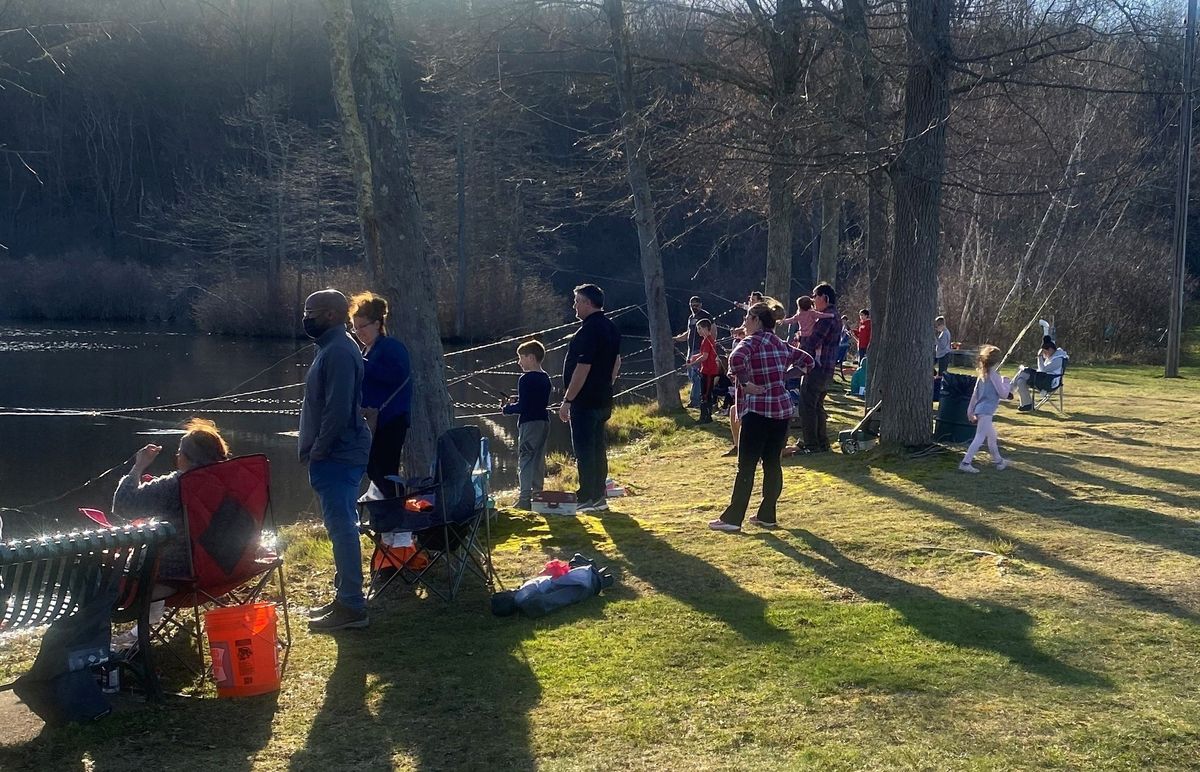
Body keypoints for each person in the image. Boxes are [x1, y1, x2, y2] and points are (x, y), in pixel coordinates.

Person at [300, 289, 373, 632]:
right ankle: (345, 595)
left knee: (343, 528)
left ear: (331, 314)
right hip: (334, 452)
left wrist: (319, 448)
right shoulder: (331, 348)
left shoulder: (340, 351)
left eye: (310, 311)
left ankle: (353, 606)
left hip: (339, 453)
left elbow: (339, 408)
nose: (305, 317)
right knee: (338, 526)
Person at [709, 302, 814, 532]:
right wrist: (786, 376)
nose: (744, 323)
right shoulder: (780, 343)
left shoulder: (750, 342)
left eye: (747, 318)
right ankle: (767, 515)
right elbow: (808, 361)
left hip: (757, 410)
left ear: (756, 319)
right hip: (781, 412)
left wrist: (746, 383)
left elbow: (735, 360)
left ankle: (732, 519)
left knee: (746, 466)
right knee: (772, 463)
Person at [112, 418, 231, 590]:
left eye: (180, 452)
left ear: (188, 457)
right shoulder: (231, 482)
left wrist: (138, 467)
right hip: (223, 570)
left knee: (94, 569)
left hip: (169, 574)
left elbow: (123, 506)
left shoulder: (177, 484)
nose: (177, 456)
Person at [558, 284, 622, 514]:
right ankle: (599, 496)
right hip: (604, 398)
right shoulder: (611, 327)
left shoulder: (588, 331)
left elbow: (582, 368)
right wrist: (607, 384)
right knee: (598, 447)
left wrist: (567, 400)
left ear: (587, 303)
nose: (574, 306)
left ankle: (587, 497)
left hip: (584, 401)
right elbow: (616, 362)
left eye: (576, 301)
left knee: (584, 450)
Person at [350, 292, 412, 499]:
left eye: (362, 326)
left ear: (377, 324)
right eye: (355, 327)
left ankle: (401, 517)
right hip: (372, 421)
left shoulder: (391, 347)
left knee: (385, 472)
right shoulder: (367, 350)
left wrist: (362, 365)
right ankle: (391, 517)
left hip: (391, 420)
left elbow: (397, 375)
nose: (358, 332)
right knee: (374, 469)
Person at [502, 339, 552, 510]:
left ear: (530, 357)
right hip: (544, 422)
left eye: (521, 358)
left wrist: (506, 408)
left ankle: (524, 500)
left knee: (525, 459)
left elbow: (523, 407)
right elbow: (534, 401)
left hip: (529, 425)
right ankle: (538, 497)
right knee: (538, 460)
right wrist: (518, 400)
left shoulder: (525, 379)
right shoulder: (545, 378)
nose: (519, 362)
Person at [794, 283, 841, 454]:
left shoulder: (826, 317)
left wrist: (798, 344)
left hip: (816, 368)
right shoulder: (834, 316)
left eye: (815, 296)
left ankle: (812, 445)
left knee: (807, 406)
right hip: (826, 369)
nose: (813, 300)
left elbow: (813, 341)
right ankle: (822, 443)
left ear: (824, 298)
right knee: (817, 406)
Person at [959, 344, 1012, 473]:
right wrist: (1006, 383)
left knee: (992, 437)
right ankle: (966, 463)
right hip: (986, 411)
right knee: (980, 437)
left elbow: (975, 395)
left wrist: (970, 411)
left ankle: (999, 461)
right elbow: (1003, 394)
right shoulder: (994, 375)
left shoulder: (983, 375)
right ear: (997, 361)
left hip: (981, 410)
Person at [1011, 336, 1069, 411]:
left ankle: (1009, 390)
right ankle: (1027, 404)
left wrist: (1039, 356)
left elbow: (1043, 369)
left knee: (1023, 372)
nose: (1044, 354)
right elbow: (1042, 369)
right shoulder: (1052, 357)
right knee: (1021, 381)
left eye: (1045, 352)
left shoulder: (1059, 359)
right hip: (1045, 379)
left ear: (1050, 349)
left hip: (1049, 383)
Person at [673, 296, 708, 409]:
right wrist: (676, 339)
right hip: (690, 350)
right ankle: (699, 396)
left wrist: (708, 347)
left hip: (700, 349)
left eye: (696, 305)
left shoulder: (705, 316)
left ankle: (695, 400)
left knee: (696, 375)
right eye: (692, 305)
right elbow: (688, 333)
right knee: (691, 375)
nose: (694, 307)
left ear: (701, 305)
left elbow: (712, 330)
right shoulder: (690, 318)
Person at [687, 319, 721, 424]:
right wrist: (693, 357)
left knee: (706, 394)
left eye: (699, 328)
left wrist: (692, 363)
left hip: (709, 371)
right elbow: (703, 354)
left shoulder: (707, 341)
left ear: (706, 328)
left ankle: (705, 418)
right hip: (705, 371)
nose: (698, 331)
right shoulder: (706, 340)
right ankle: (706, 416)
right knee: (705, 393)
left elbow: (705, 357)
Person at [835, 314, 852, 380]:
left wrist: (848, 333)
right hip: (841, 344)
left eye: (844, 320)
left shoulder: (847, 328)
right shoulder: (842, 327)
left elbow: (849, 335)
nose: (843, 322)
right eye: (842, 320)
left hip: (843, 345)